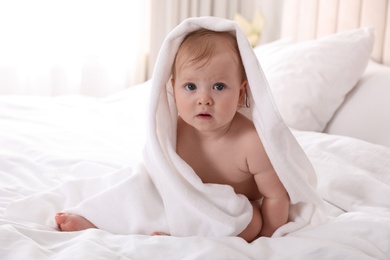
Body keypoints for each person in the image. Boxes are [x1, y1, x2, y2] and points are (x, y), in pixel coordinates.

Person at [55, 29, 290, 242]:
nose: (204, 99)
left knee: (252, 221)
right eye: (190, 87)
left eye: (219, 86)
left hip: (230, 205)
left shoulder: (251, 143)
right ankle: (95, 218)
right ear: (173, 90)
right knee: (137, 185)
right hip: (183, 195)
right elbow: (158, 173)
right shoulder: (174, 130)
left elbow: (276, 196)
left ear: (241, 95)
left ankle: (181, 237)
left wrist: (267, 238)